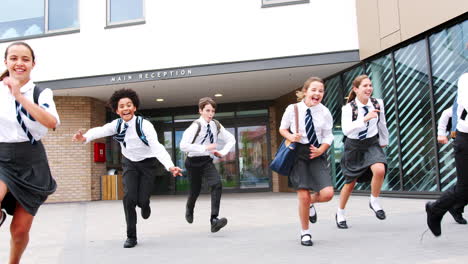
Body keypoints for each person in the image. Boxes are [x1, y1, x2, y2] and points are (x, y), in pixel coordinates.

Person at [72, 88, 182, 248]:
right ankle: (131, 236)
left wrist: (170, 166)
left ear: (134, 107)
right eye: (121, 106)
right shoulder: (116, 125)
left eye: (129, 105)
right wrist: (84, 137)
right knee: (129, 198)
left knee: (142, 199)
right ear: (117, 110)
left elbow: (157, 147)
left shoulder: (145, 125)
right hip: (129, 162)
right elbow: (100, 131)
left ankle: (145, 205)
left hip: (147, 163)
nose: (125, 108)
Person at [0, 42, 59, 264]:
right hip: (2, 156)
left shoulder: (40, 92)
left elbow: (51, 122)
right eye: (13, 58)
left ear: (33, 64)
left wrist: (19, 96)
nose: (19, 63)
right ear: (6, 62)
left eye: (25, 59)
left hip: (32, 160)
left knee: (19, 230)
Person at [279, 77, 334, 246]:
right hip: (298, 155)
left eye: (321, 91)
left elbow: (328, 135)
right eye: (314, 90)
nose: (317, 93)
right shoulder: (292, 108)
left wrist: (321, 149)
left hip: (316, 152)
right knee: (302, 196)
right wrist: (291, 136)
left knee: (327, 194)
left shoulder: (324, 112)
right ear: (305, 92)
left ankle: (310, 203)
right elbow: (282, 128)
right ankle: (305, 232)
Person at [336, 74, 389, 229]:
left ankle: (374, 200)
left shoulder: (377, 103)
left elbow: (382, 123)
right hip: (353, 146)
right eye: (365, 86)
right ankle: (340, 212)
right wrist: (364, 118)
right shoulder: (348, 108)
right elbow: (346, 130)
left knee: (380, 169)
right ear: (356, 89)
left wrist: (384, 141)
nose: (369, 88)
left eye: (370, 85)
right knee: (350, 184)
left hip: (371, 142)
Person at [180, 97, 235, 233]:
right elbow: (183, 146)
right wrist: (205, 147)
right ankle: (189, 207)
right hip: (192, 162)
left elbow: (231, 139)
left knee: (217, 184)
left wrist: (222, 152)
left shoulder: (216, 125)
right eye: (207, 110)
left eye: (212, 111)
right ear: (200, 111)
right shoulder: (195, 126)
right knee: (195, 190)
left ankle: (214, 220)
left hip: (206, 161)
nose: (210, 114)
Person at [426, 72, 468, 236]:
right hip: (465, 139)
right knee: (464, 189)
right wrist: (441, 133)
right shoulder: (465, 79)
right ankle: (435, 209)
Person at [436, 104, 466, 225]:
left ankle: (455, 207)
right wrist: (441, 133)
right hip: (464, 141)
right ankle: (444, 206)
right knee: (464, 183)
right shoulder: (463, 99)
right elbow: (447, 113)